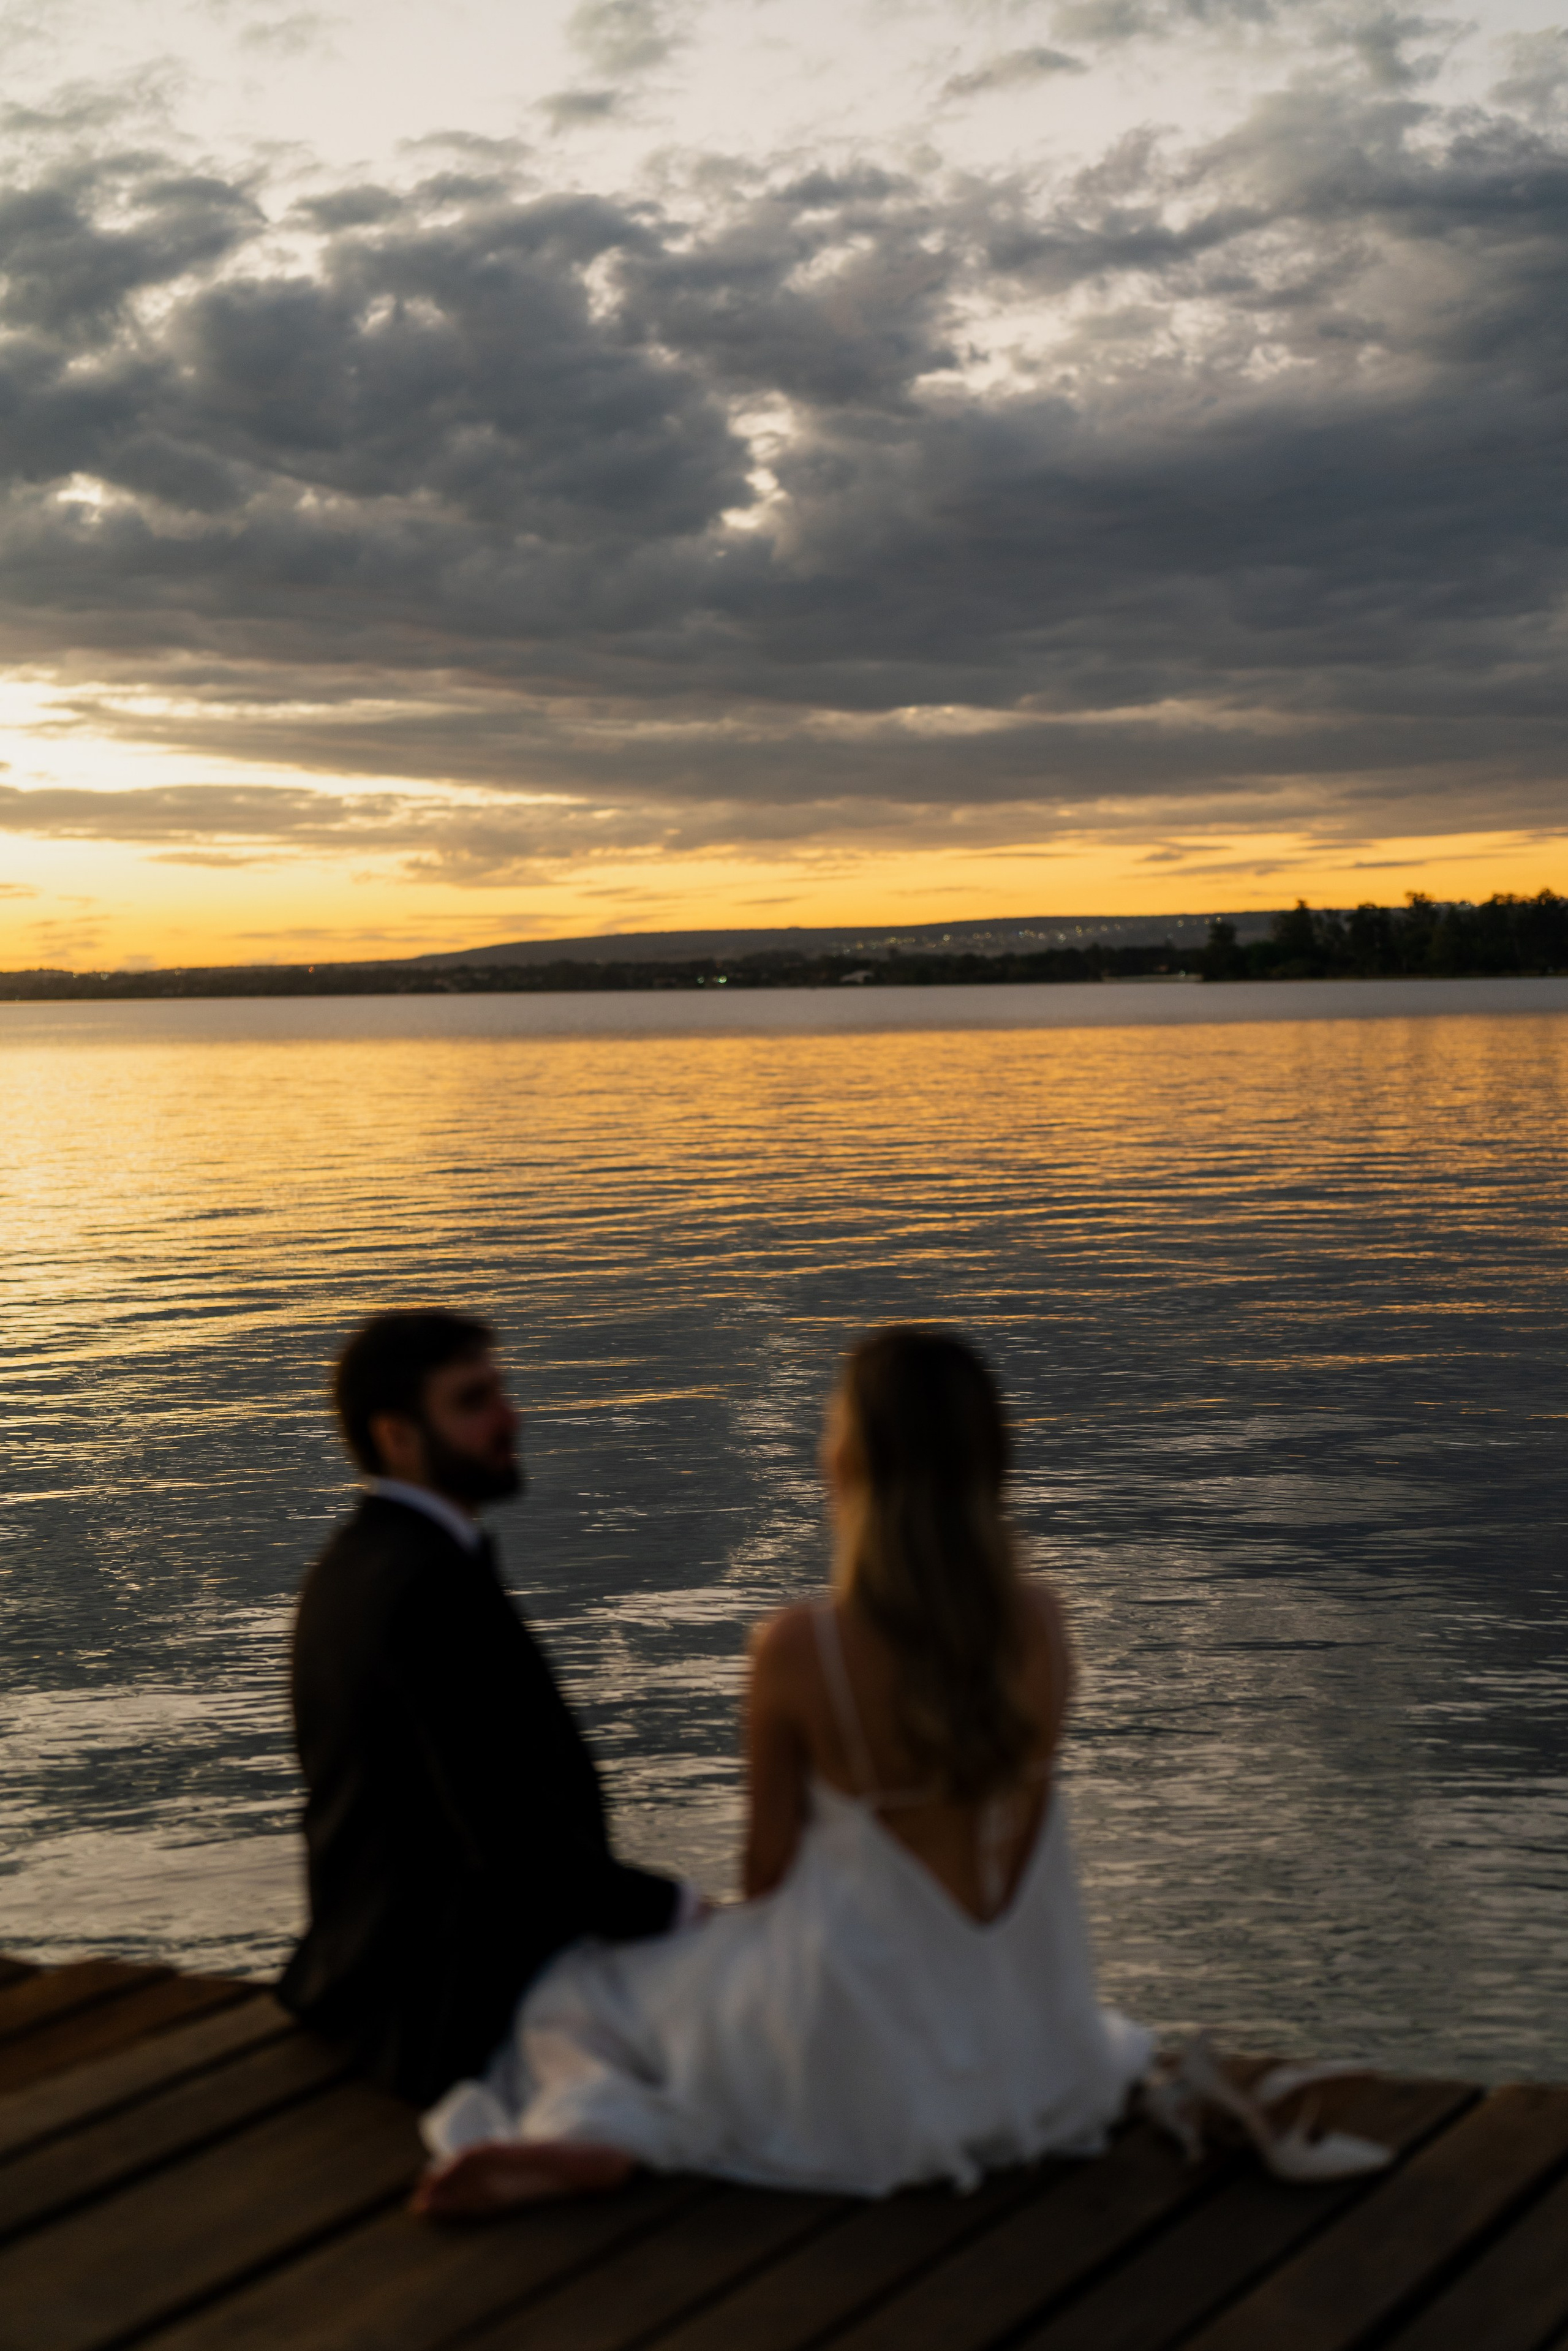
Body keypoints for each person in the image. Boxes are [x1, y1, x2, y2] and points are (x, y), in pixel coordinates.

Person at [415, 1326, 1153, 2213]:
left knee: (574, 1994)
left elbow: (765, 1873)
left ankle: (596, 2125)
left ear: (851, 1458)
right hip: (1029, 2050)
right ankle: (609, 2123)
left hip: (859, 2065)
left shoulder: (805, 1648)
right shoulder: (1042, 1624)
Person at [278, 1310, 691, 2105]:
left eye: (500, 1390)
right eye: (473, 1401)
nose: (509, 1417)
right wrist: (676, 1908)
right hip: (450, 2002)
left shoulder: (351, 1564)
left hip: (368, 1966)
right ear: (397, 1435)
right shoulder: (428, 1590)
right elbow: (512, 1844)